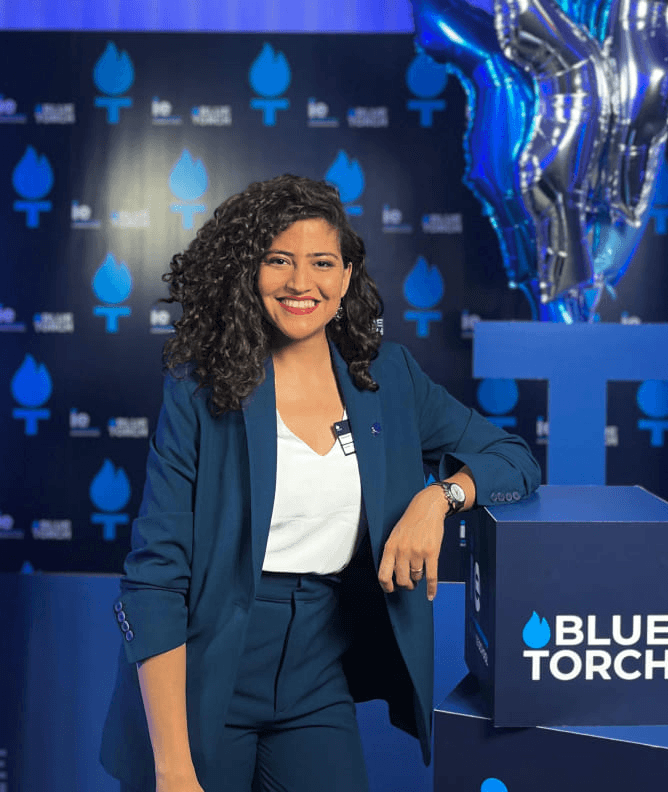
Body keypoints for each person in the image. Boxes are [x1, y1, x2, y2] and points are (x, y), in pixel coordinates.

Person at [100, 174, 541, 792]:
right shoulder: (200, 387)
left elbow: (512, 457)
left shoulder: (387, 376)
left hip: (315, 672)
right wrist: (174, 769)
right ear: (246, 271)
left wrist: (437, 500)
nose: (301, 283)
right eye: (278, 260)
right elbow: (156, 576)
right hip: (205, 666)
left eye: (322, 262)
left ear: (348, 275)